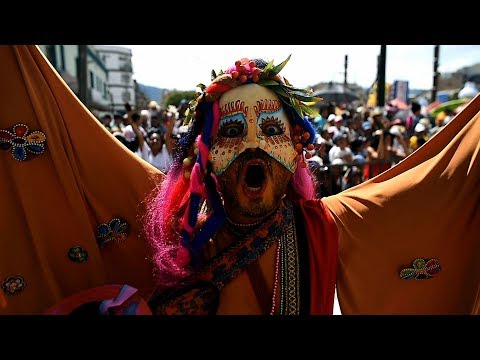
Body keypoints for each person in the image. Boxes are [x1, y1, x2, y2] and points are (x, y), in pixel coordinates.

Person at [1, 46, 480, 315]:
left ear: (297, 149)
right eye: (232, 131)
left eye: (271, 131)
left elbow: (435, 191)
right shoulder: (180, 234)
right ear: (205, 159)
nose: (253, 145)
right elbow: (73, 156)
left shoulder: (326, 225)